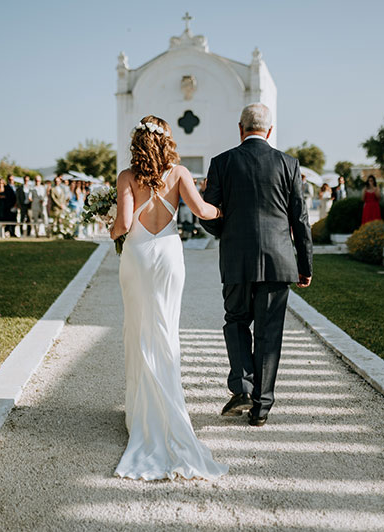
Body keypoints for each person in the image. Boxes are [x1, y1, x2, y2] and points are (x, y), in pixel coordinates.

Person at [109, 115, 226, 481]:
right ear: (165, 141)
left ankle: (141, 414)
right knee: (166, 329)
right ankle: (168, 410)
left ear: (137, 142)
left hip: (139, 256)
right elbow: (203, 211)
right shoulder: (179, 174)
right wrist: (225, 211)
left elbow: (124, 224)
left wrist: (108, 224)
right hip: (169, 256)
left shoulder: (127, 177)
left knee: (139, 328)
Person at [201, 102, 313, 428]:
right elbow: (300, 220)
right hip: (279, 260)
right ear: (270, 131)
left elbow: (209, 213)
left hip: (236, 258)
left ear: (240, 129)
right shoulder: (289, 164)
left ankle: (243, 386)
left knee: (235, 321)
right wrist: (305, 264)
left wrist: (229, 232)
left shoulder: (221, 163)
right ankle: (261, 408)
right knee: (269, 332)